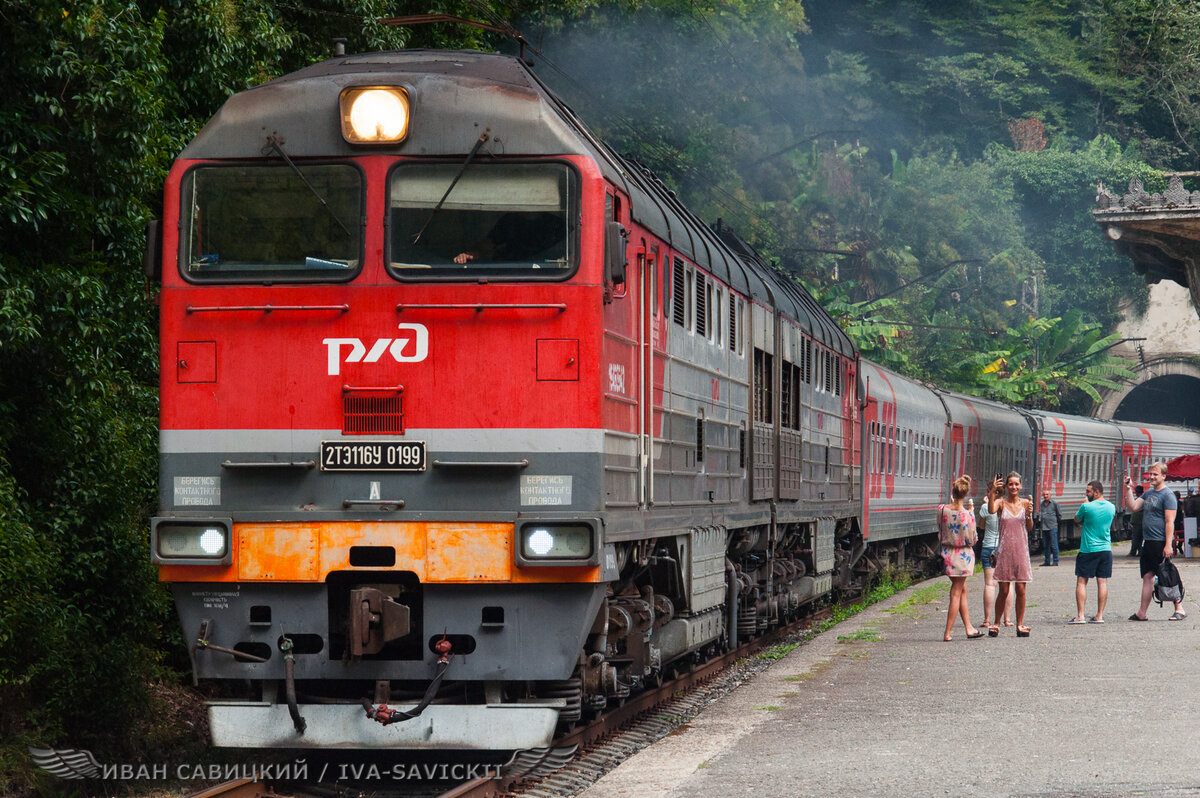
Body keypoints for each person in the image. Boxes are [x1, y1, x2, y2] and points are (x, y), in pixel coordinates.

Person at [1126, 462, 1184, 621]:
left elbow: (1169, 521)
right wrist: (1129, 489)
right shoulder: (1148, 493)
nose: (1151, 477)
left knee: (1166, 576)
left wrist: (1168, 544)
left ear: (1163, 476)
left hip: (1160, 541)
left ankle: (1179, 608)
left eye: (1155, 474)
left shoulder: (1168, 496)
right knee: (1147, 577)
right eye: (1150, 474)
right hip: (1148, 542)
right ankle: (1141, 613)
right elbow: (1133, 507)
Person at [988, 471, 1035, 637]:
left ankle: (1020, 624)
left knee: (1021, 589)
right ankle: (995, 623)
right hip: (1005, 551)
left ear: (1021, 486)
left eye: (1016, 484)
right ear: (1006, 486)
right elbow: (991, 510)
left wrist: (1029, 514)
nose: (1013, 487)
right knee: (1004, 590)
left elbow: (1029, 528)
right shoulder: (1001, 503)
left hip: (1021, 551)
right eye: (1010, 484)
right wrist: (992, 491)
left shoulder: (1025, 503)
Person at [938, 475, 983, 642]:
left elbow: (940, 529)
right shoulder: (968, 515)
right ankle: (948, 632)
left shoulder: (942, 509)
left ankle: (969, 628)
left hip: (948, 555)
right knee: (956, 592)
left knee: (962, 590)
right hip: (963, 557)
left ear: (953, 491)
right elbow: (973, 539)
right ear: (965, 494)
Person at [1068, 480, 1116, 624]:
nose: (1086, 494)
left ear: (1096, 492)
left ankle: (1080, 616)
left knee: (1082, 581)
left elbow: (1076, 519)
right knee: (1102, 581)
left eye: (1088, 491)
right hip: (1106, 549)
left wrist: (1085, 505)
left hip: (1088, 549)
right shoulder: (1112, 507)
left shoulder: (1086, 507)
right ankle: (1099, 616)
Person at [453, 211, 565, 265]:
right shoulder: (510, 220)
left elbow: (571, 246)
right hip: (510, 270)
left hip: (547, 272)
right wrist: (469, 254)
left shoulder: (555, 223)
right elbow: (489, 243)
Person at [977, 478, 1014, 630]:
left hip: (988, 547)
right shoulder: (1008, 506)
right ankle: (1007, 619)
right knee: (1007, 584)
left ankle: (987, 620)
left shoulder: (986, 507)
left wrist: (985, 505)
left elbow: (980, 526)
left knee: (989, 584)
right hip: (1005, 548)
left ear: (990, 492)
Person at [1037, 489, 1062, 566]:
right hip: (1044, 527)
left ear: (1050, 495)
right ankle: (1047, 561)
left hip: (1052, 527)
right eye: (1044, 495)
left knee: (1054, 545)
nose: (1045, 496)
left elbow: (1059, 515)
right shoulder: (1041, 504)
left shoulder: (1054, 504)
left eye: (1047, 494)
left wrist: (1055, 523)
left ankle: (1055, 561)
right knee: (1046, 545)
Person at [1128, 484, 1144, 557]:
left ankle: (1133, 552)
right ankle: (1140, 552)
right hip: (1141, 522)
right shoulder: (1142, 499)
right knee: (1140, 538)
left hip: (1138, 522)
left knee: (1136, 538)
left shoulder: (1140, 500)